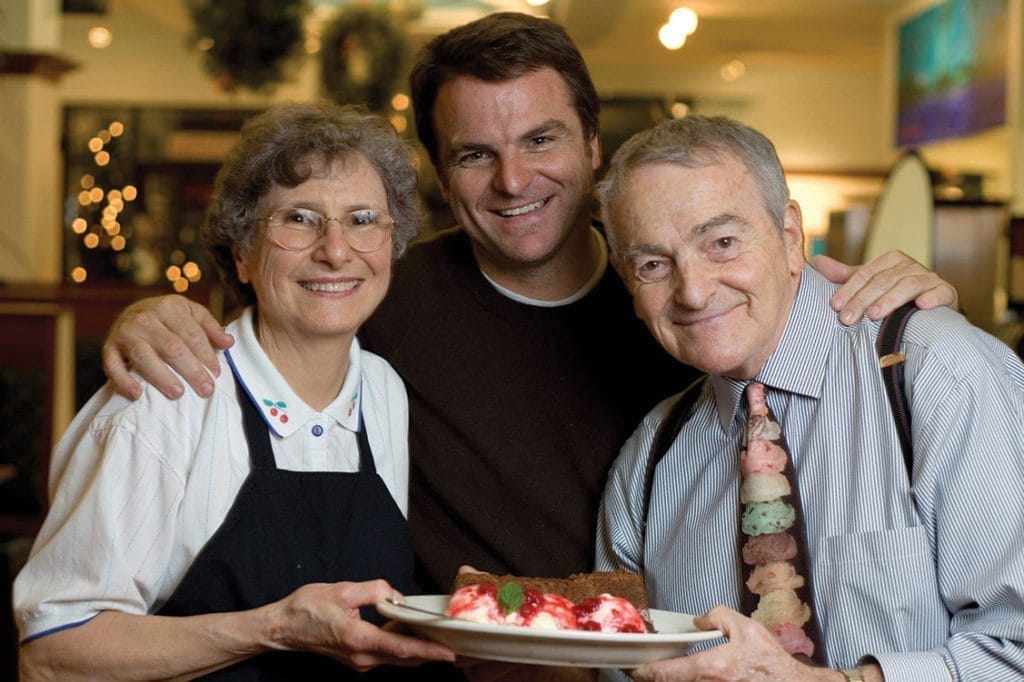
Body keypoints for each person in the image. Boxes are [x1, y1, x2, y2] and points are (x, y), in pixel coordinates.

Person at [99, 13, 957, 596]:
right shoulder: (377, 296)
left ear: (590, 143)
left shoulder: (686, 300)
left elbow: (831, 351)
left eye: (541, 140)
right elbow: (252, 327)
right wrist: (145, 316)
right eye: (475, 154)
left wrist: (917, 303)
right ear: (439, 172)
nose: (513, 181)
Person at [13, 103, 455, 679]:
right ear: (242, 252)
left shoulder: (384, 390)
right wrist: (271, 629)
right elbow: (51, 658)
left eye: (364, 218)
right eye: (299, 218)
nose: (336, 249)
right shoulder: (166, 393)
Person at [594, 114, 1024, 681]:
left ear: (790, 236)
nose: (693, 291)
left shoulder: (937, 373)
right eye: (653, 264)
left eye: (722, 242)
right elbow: (615, 666)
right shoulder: (649, 456)